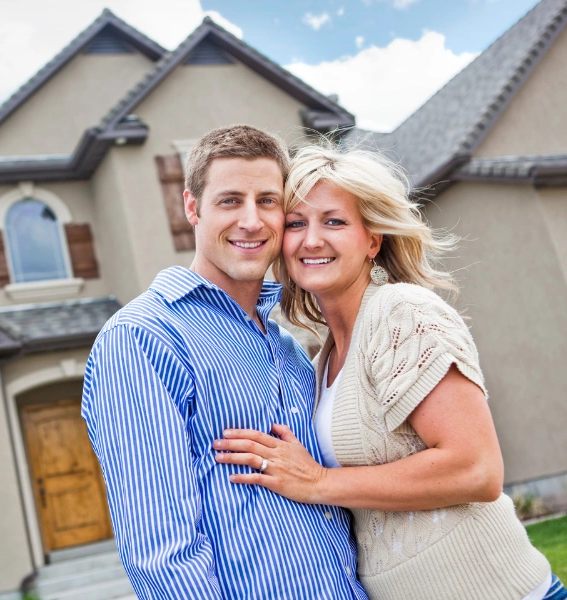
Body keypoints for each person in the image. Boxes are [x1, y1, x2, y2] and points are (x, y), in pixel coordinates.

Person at [214, 140, 563, 600]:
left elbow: (477, 470)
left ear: (372, 239)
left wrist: (320, 482)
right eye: (296, 223)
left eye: (334, 221)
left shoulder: (401, 313)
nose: (311, 239)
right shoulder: (322, 361)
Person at [81, 125, 367, 599]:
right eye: (230, 200)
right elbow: (162, 553)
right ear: (192, 208)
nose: (252, 221)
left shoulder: (287, 345)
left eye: (268, 201)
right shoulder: (142, 338)